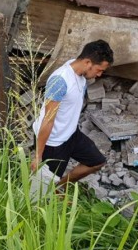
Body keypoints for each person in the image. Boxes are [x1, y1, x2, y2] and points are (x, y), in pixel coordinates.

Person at [31, 39, 114, 186]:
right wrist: (38, 156)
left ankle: (60, 186)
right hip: (54, 142)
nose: (99, 74)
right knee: (40, 193)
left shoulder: (78, 70)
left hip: (71, 134)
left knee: (97, 162)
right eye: (99, 70)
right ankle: (47, 193)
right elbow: (48, 119)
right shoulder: (60, 80)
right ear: (88, 62)